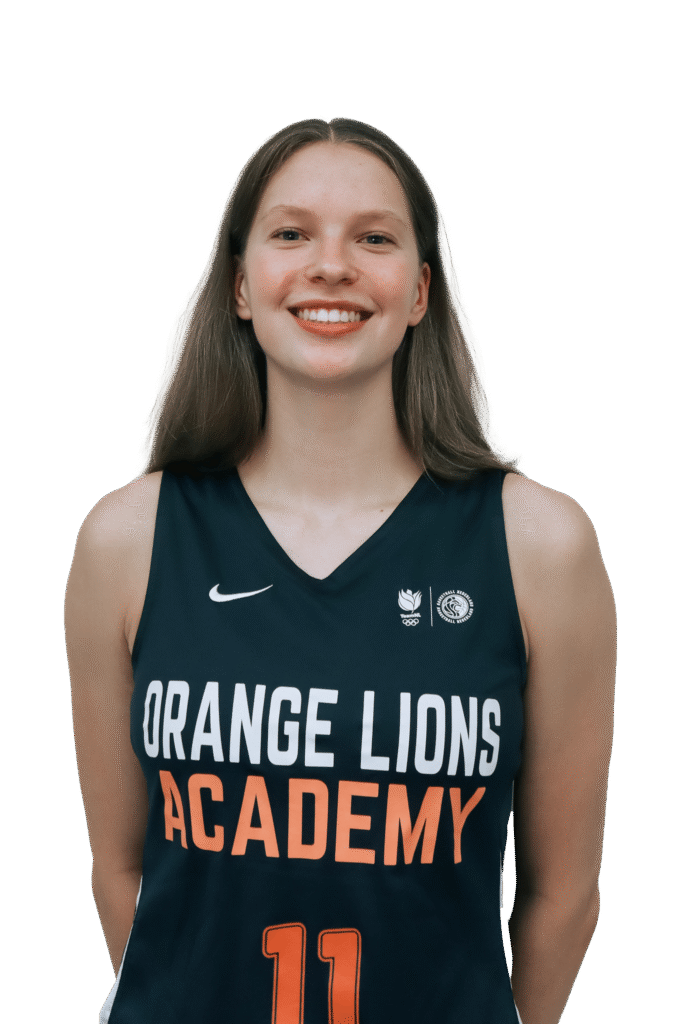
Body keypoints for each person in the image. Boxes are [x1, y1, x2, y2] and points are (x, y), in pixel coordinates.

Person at [64, 116, 617, 1024]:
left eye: (373, 238)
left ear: (420, 291)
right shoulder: (127, 538)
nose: (330, 266)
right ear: (240, 286)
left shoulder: (540, 545)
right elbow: (120, 868)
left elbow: (564, 896)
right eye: (291, 234)